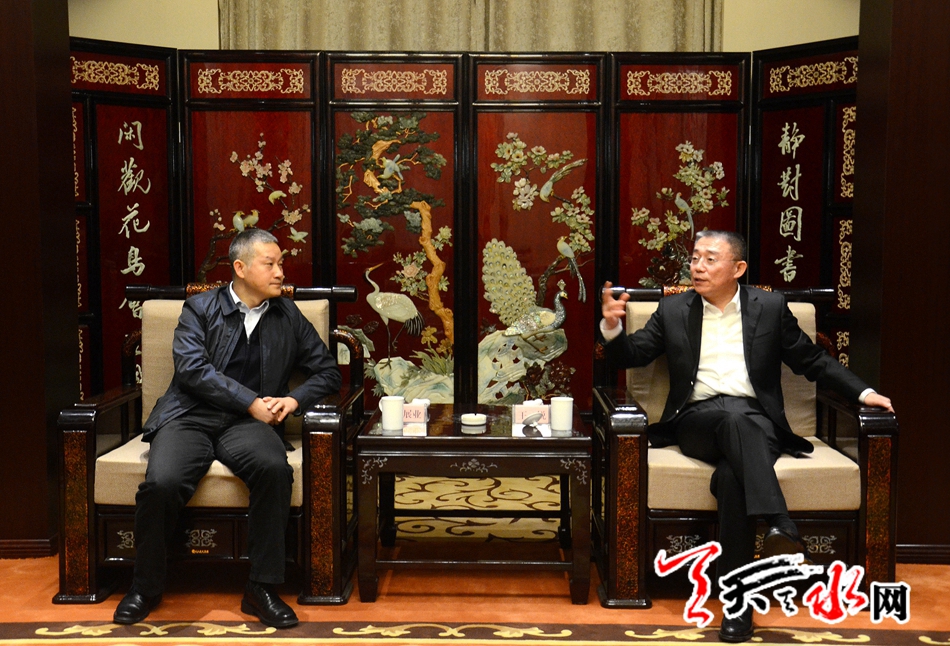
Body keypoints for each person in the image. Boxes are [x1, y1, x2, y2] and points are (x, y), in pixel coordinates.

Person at [600, 230, 893, 643]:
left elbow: (811, 360)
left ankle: (738, 604)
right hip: (697, 422)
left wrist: (864, 393)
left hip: (759, 423)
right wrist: (612, 327)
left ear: (738, 268)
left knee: (732, 477)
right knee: (732, 419)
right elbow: (632, 356)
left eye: (710, 259)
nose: (698, 267)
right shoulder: (673, 309)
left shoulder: (769, 308)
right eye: (695, 258)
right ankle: (780, 522)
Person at [113, 228, 341, 628]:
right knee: (162, 482)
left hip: (246, 425)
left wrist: (293, 400)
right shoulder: (200, 308)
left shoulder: (287, 314)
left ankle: (261, 588)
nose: (280, 272)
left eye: (281, 264)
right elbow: (192, 369)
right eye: (270, 264)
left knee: (273, 469)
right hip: (189, 416)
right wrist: (250, 401)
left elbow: (327, 372)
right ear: (240, 267)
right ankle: (145, 587)